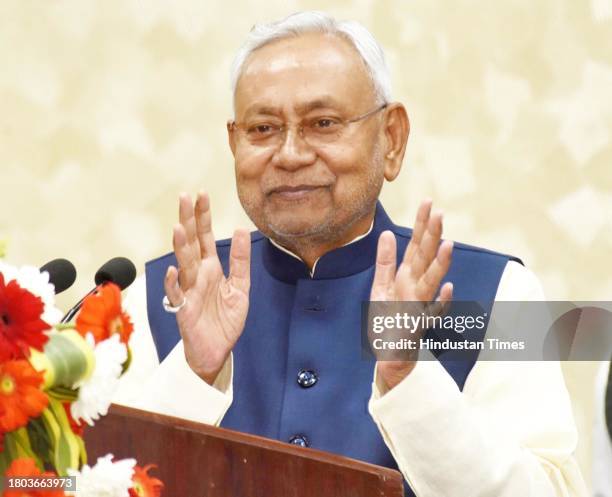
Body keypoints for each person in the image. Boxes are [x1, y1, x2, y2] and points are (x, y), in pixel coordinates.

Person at [119, 11, 587, 497]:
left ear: (392, 138)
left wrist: (410, 379)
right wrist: (194, 374)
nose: (291, 153)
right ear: (234, 142)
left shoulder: (502, 294)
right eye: (262, 129)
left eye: (323, 123)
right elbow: (83, 483)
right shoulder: (158, 297)